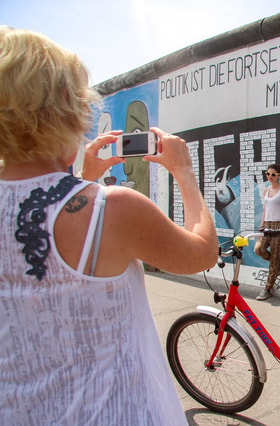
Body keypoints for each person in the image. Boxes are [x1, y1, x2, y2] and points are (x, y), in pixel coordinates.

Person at [0, 27, 218, 425]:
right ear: (65, 106)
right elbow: (200, 254)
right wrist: (184, 171)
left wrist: (84, 177)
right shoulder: (111, 208)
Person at [254, 164, 280, 300]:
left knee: (275, 256)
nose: (270, 176)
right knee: (258, 249)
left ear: (279, 176)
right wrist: (261, 226)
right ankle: (275, 263)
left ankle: (267, 288)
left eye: (273, 174)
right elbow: (265, 211)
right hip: (267, 225)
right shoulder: (266, 191)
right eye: (268, 174)